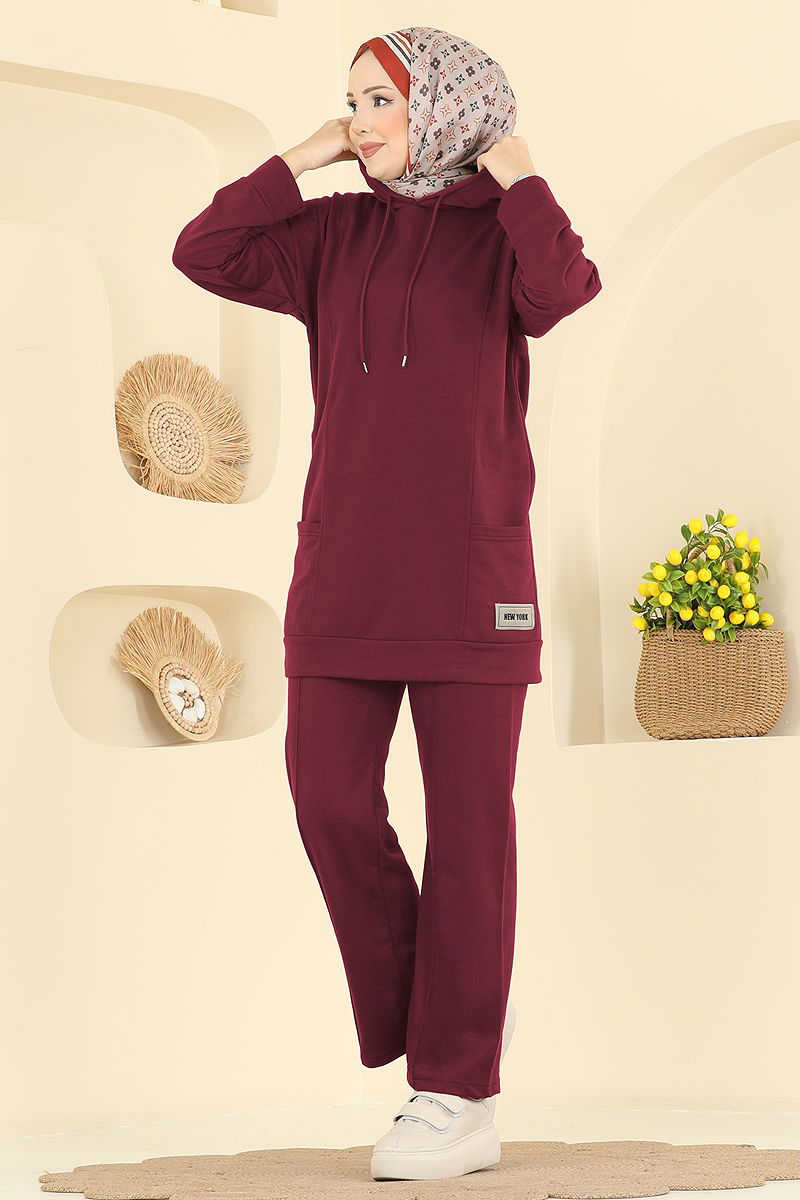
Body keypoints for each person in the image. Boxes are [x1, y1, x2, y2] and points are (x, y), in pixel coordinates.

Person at [172, 25, 602, 1182]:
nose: (358, 119)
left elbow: (563, 288)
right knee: (325, 799)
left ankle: (455, 1094)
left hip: (471, 582)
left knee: (470, 840)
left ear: (447, 107)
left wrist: (515, 170)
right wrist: (303, 155)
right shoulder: (332, 236)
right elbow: (203, 250)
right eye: (350, 100)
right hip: (345, 576)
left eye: (379, 100)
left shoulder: (504, 238)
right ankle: (441, 1025)